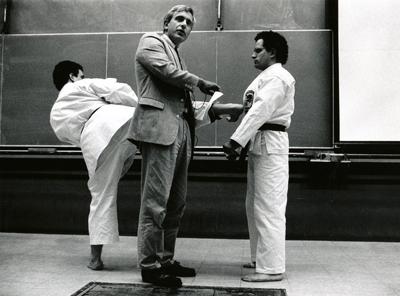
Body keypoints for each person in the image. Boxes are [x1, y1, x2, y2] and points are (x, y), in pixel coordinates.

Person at [128, 5, 242, 288]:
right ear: (165, 23)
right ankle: (149, 265)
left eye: (189, 23)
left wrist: (217, 110)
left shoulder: (179, 57)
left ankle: (166, 259)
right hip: (159, 131)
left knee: (175, 203)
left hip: (181, 133)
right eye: (178, 20)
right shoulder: (151, 41)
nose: (183, 25)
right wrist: (199, 81)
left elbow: (184, 102)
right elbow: (165, 73)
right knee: (155, 202)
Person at [50, 60, 138, 271]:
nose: (82, 77)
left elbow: (68, 137)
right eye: (81, 74)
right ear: (72, 76)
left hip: (93, 143)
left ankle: (95, 259)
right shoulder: (79, 85)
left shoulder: (55, 112)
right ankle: (205, 112)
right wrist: (140, 104)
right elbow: (116, 89)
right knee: (163, 122)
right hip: (119, 120)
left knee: (101, 196)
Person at [223, 31, 295, 282]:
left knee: (269, 207)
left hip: (271, 144)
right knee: (254, 205)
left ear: (272, 52)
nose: (252, 54)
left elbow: (262, 111)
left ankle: (272, 268)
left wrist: (235, 140)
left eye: (258, 50)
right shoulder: (265, 77)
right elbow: (253, 110)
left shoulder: (278, 77)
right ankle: (259, 259)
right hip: (259, 143)